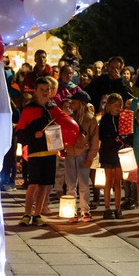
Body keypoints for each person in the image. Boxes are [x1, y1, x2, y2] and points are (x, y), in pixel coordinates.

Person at [15, 77, 72, 226]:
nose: (45, 93)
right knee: (34, 183)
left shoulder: (53, 108)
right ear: (35, 91)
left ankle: (38, 214)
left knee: (45, 185)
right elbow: (19, 132)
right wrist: (33, 135)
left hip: (50, 152)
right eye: (42, 90)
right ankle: (27, 213)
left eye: (48, 90)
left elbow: (66, 121)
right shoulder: (29, 109)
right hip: (35, 151)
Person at [63, 91, 97, 223]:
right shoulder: (70, 118)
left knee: (83, 183)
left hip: (83, 154)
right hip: (70, 153)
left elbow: (94, 141)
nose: (71, 104)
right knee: (70, 183)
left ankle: (85, 209)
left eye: (74, 102)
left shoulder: (90, 119)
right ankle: (71, 210)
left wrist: (90, 157)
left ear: (81, 104)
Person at [97, 93, 126, 219]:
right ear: (109, 106)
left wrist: (123, 138)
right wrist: (113, 138)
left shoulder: (123, 118)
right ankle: (107, 208)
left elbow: (127, 133)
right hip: (108, 152)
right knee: (108, 181)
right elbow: (102, 136)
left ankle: (118, 208)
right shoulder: (105, 119)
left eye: (120, 105)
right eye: (115, 105)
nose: (118, 107)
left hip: (119, 153)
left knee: (118, 182)